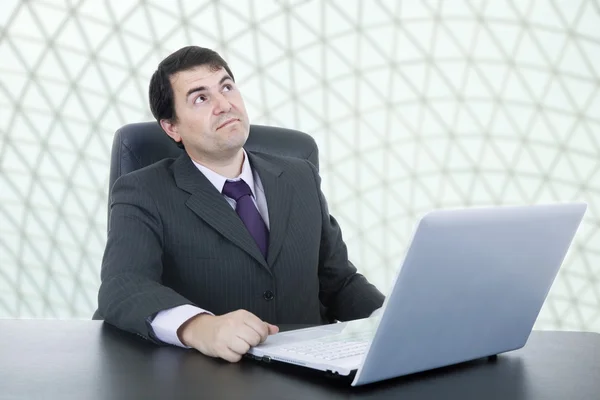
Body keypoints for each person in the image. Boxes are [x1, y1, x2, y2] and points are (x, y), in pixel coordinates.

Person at [95, 45, 384, 363]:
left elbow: (339, 282)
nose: (224, 105)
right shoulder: (143, 191)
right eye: (201, 98)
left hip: (313, 374)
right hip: (211, 378)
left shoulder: (299, 176)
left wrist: (391, 319)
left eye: (227, 87)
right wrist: (200, 327)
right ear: (172, 127)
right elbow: (122, 285)